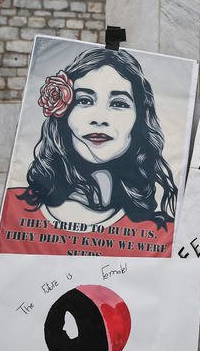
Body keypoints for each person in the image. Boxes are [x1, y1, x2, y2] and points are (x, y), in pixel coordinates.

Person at [14, 47, 180, 229]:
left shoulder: (160, 232)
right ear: (64, 113)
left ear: (139, 119)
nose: (99, 119)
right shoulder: (14, 210)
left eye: (118, 103)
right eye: (84, 100)